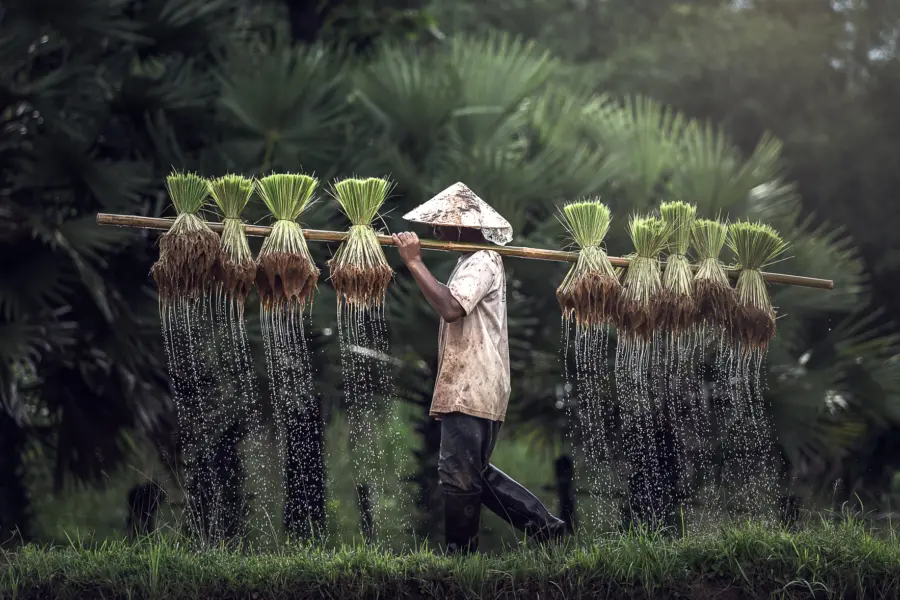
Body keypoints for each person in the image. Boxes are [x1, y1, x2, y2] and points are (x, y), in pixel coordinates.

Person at [392, 182, 567, 554]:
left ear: (466, 225)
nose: (436, 230)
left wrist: (414, 262)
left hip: (472, 384)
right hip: (471, 384)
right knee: (471, 474)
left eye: (443, 223)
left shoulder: (483, 260)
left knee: (459, 475)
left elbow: (451, 308)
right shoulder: (468, 262)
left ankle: (461, 560)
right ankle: (545, 529)